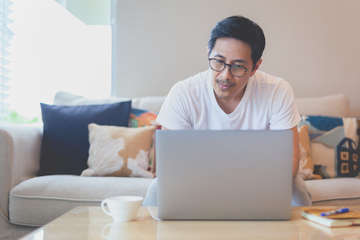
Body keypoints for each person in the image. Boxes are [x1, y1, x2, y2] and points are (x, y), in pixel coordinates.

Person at [144, 15, 311, 206]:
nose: (225, 75)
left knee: (297, 190)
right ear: (208, 53)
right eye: (218, 61)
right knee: (156, 189)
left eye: (238, 67)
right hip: (196, 185)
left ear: (255, 66)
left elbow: (289, 160)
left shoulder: (277, 91)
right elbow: (169, 165)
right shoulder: (183, 93)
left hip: (261, 185)